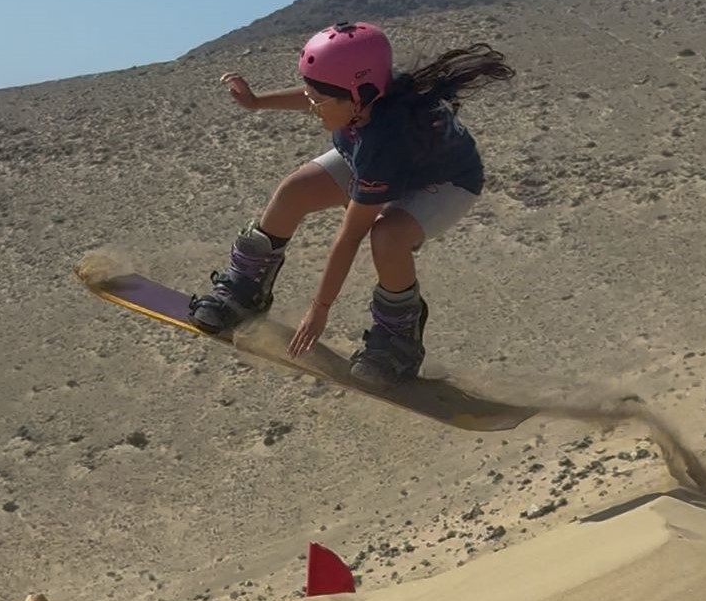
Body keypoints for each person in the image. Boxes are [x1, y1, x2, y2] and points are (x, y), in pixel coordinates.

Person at [188, 20, 515, 386]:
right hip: (376, 156)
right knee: (294, 191)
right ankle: (244, 291)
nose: (312, 107)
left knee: (387, 237)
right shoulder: (364, 98)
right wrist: (256, 103)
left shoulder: (383, 140)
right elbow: (317, 96)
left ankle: (399, 339)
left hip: (444, 183)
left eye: (319, 100)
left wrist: (319, 310)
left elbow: (350, 236)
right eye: (311, 94)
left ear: (358, 97)